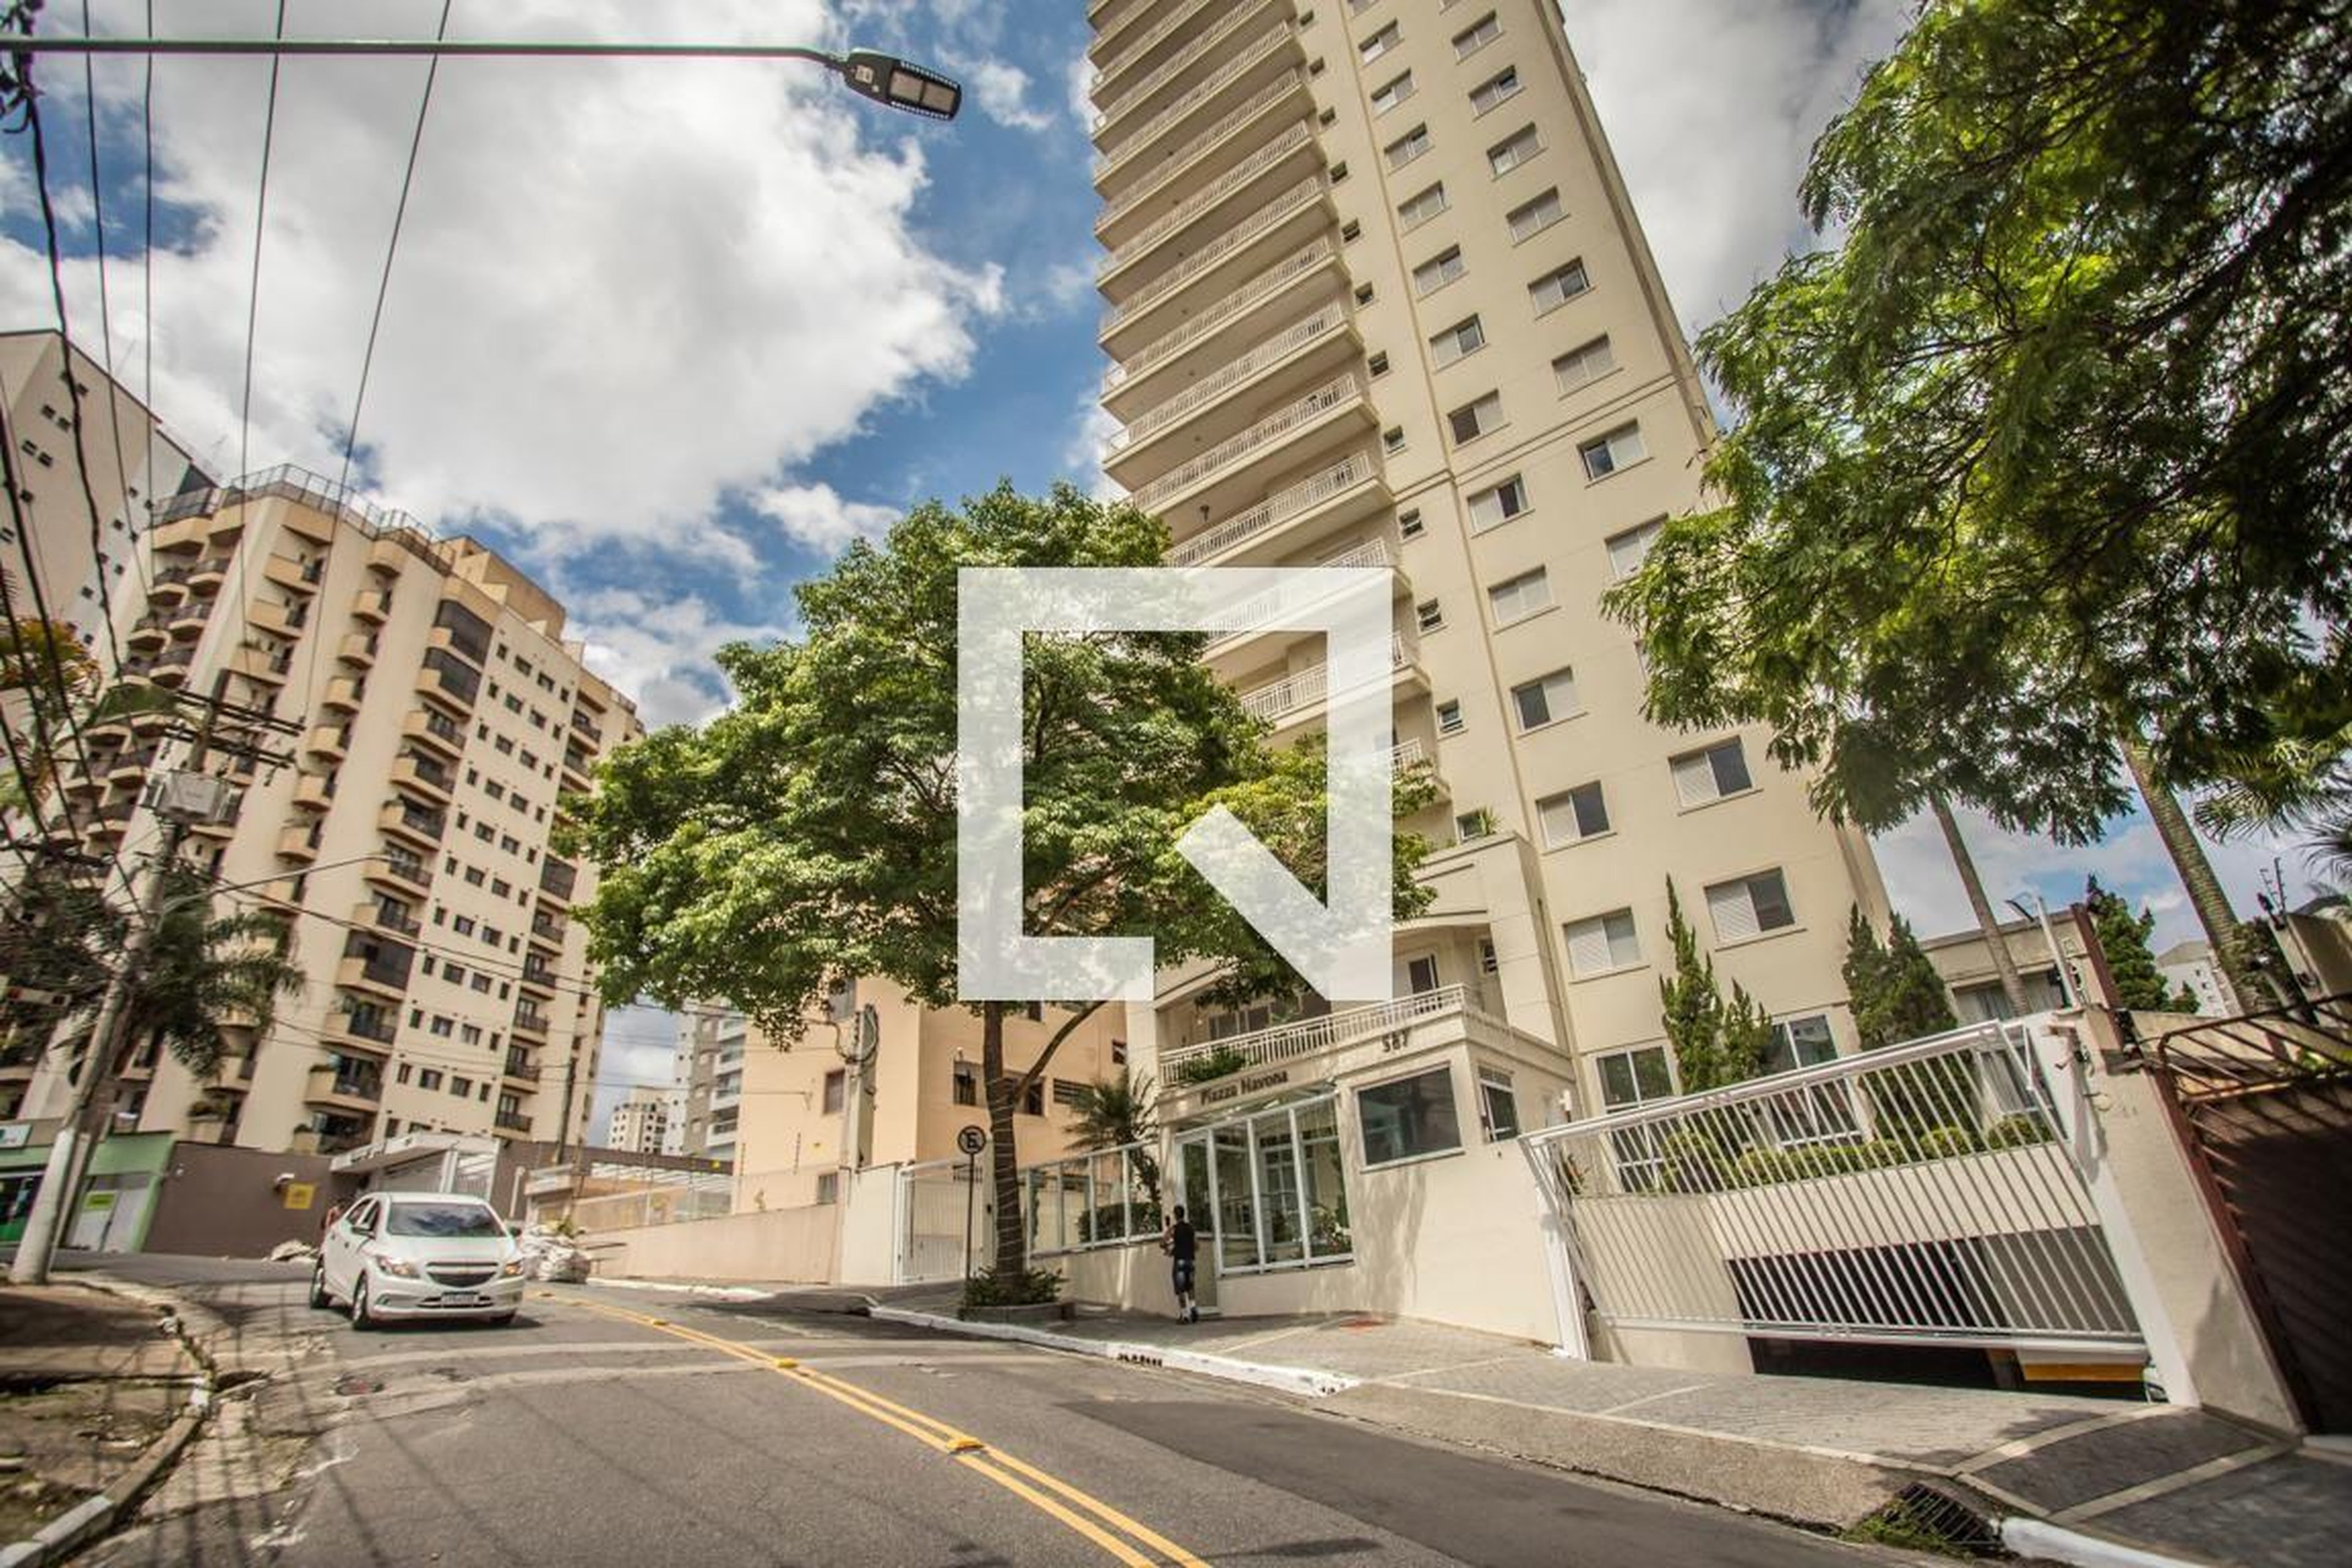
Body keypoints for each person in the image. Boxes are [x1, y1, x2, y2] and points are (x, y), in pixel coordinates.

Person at [1163, 1204, 1199, 1324]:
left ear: (1175, 1215)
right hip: (1191, 1261)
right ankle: (1193, 1308)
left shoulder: (1174, 1229)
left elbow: (1163, 1242)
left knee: (1181, 1290)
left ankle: (1184, 1316)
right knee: (1190, 1287)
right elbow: (1197, 1246)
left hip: (1180, 1262)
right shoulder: (1191, 1228)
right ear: (1184, 1214)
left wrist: (1169, 1249)